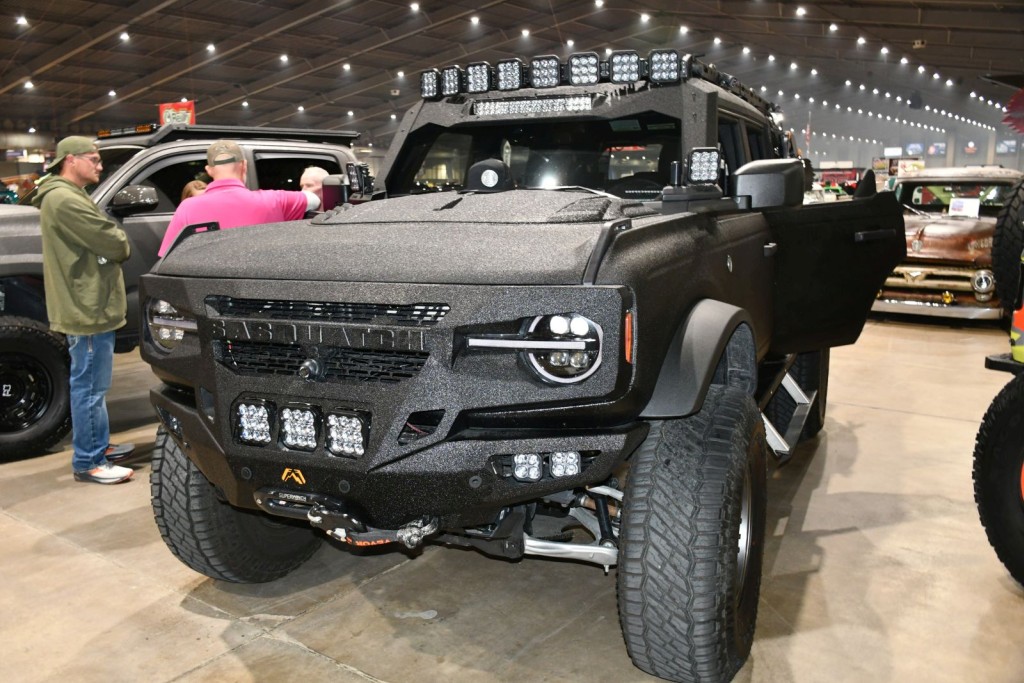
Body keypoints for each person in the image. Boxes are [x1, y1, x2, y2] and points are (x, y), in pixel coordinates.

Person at [33, 136, 135, 484]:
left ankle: (98, 444)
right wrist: (115, 242)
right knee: (90, 387)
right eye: (93, 159)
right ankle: (89, 461)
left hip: (88, 304)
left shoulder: (69, 195)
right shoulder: (64, 199)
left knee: (93, 385)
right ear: (70, 160)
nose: (99, 165)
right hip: (86, 308)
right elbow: (116, 244)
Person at [158, 140, 320, 257]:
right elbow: (314, 199)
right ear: (244, 165)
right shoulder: (276, 200)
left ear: (209, 170)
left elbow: (167, 258)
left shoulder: (187, 207)